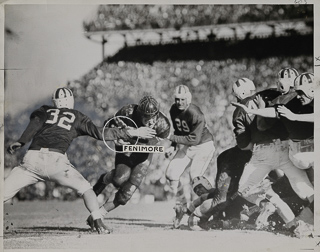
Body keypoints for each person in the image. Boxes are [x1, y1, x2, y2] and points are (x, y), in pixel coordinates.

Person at [5, 87, 156, 235]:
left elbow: (35, 123)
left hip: (32, 159)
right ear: (70, 100)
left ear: (54, 102)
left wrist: (21, 141)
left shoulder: (45, 110)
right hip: (56, 162)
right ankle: (98, 221)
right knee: (86, 189)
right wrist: (132, 132)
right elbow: (99, 133)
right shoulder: (76, 116)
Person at [186, 78, 286, 230]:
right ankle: (195, 217)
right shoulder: (269, 96)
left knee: (235, 200)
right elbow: (245, 146)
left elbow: (245, 144)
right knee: (222, 200)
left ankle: (199, 210)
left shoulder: (243, 109)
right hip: (237, 160)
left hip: (251, 156)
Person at [232, 72, 316, 234]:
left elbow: (258, 130)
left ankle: (273, 204)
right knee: (306, 191)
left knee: (244, 188)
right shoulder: (285, 99)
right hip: (293, 151)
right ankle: (302, 222)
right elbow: (274, 112)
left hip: (291, 150)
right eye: (295, 90)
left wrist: (293, 117)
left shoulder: (280, 98)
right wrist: (257, 112)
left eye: (299, 92)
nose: (296, 95)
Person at [86, 95, 171, 229]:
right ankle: (105, 178)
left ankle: (98, 215)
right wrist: (122, 136)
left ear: (157, 114)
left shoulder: (163, 124)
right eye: (146, 118)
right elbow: (108, 126)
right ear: (139, 114)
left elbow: (152, 144)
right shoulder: (128, 112)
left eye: (153, 118)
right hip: (125, 147)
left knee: (125, 195)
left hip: (144, 154)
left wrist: (141, 137)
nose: (150, 122)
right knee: (119, 180)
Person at [164, 85, 215, 229]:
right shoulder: (174, 109)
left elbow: (194, 139)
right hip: (189, 145)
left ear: (188, 98)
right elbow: (178, 131)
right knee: (171, 173)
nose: (179, 102)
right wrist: (173, 146)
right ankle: (180, 207)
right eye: (177, 99)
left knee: (196, 180)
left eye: (182, 99)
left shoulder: (195, 113)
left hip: (203, 145)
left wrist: (171, 137)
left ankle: (201, 214)